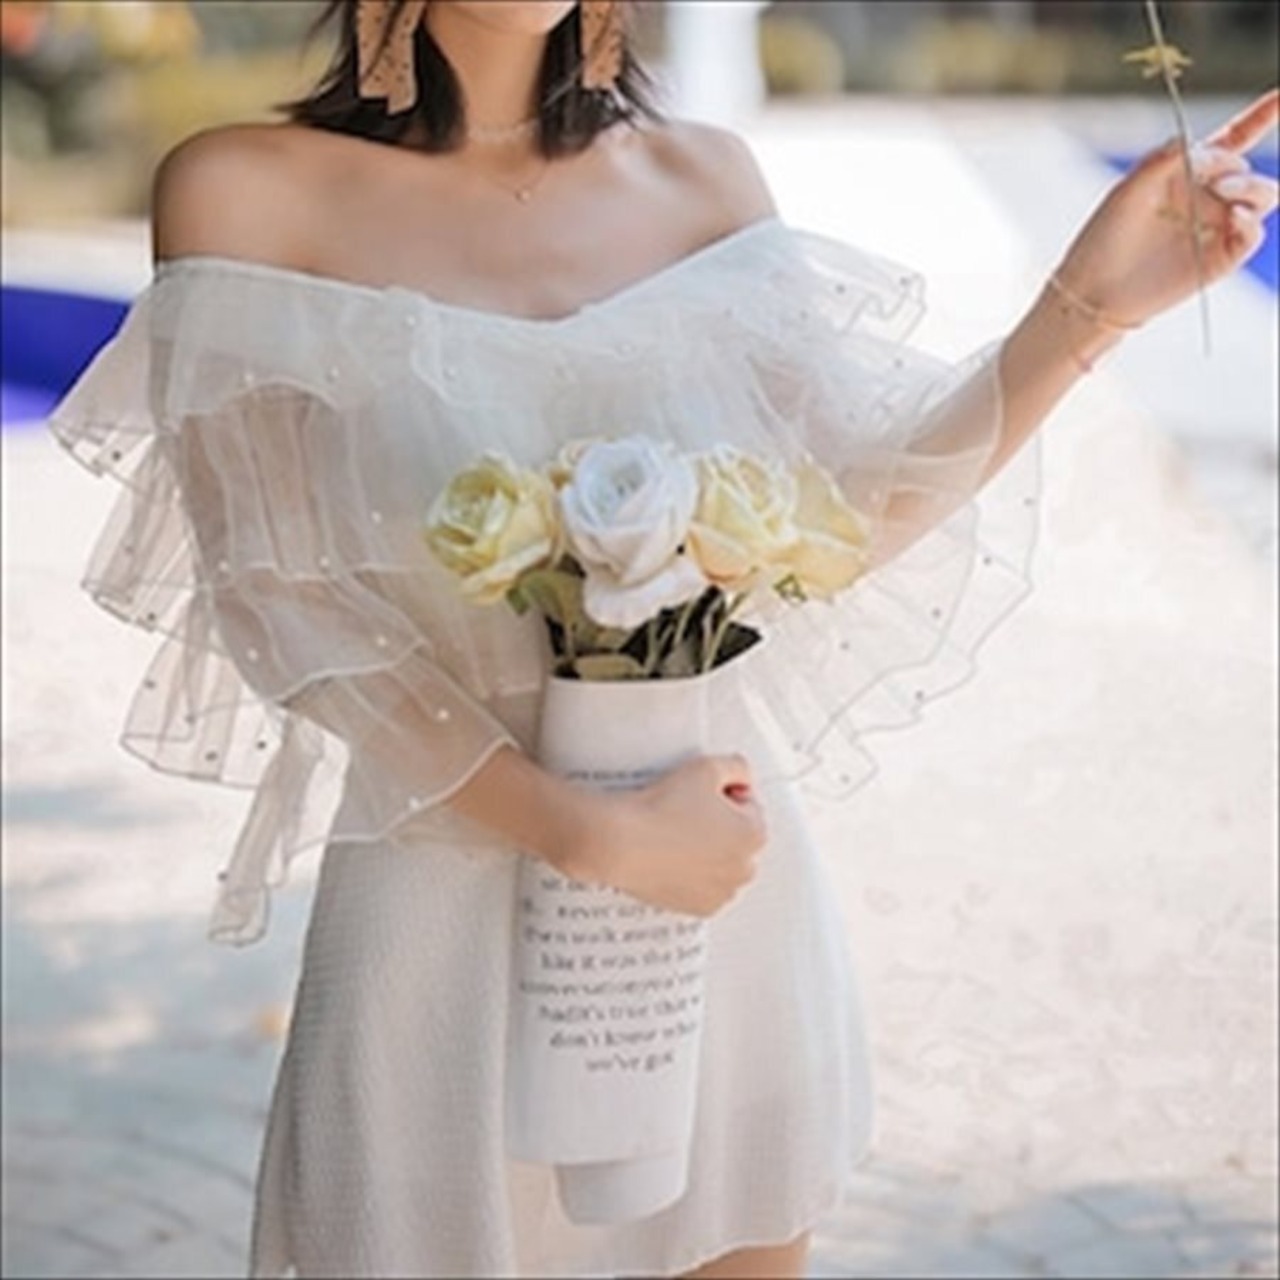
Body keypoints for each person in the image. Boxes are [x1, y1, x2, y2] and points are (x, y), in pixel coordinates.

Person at [46, 2, 1277, 1277]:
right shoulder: (243, 191)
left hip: (714, 908)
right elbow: (278, 604)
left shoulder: (705, 181)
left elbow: (838, 518)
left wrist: (1083, 311)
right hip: (439, 928)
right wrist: (586, 834)